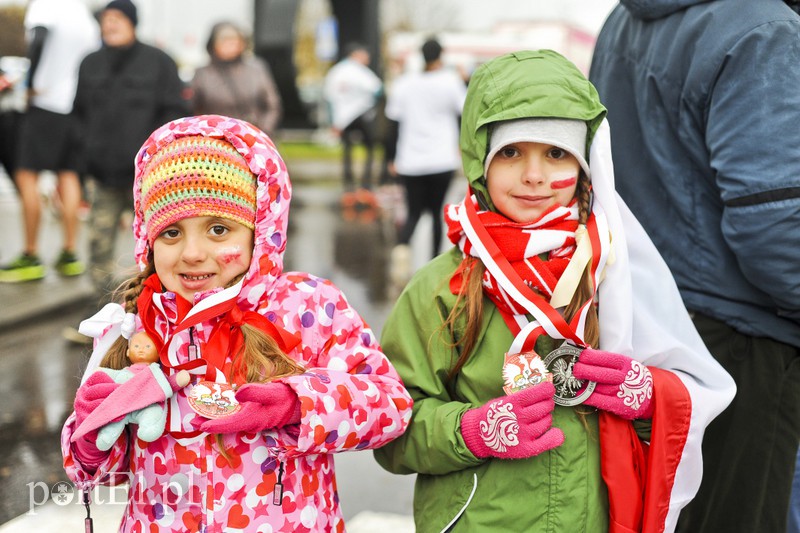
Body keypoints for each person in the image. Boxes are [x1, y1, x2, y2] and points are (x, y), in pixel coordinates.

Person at [373, 49, 735, 533]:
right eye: (511, 152)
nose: (534, 175)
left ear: (585, 164)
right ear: (481, 161)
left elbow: (693, 402)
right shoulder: (443, 286)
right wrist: (473, 432)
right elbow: (390, 428)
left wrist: (647, 398)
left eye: (556, 153)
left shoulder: (616, 272)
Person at [61, 114, 413, 532]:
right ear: (148, 238)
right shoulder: (136, 322)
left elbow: (390, 405)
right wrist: (88, 433)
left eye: (218, 229)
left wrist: (295, 402)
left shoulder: (308, 307)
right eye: (171, 233)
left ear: (259, 231)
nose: (192, 253)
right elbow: (97, 473)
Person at [588, 1, 800, 531]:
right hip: (740, 338)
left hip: (644, 316)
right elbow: (774, 226)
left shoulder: (626, 17)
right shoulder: (763, 30)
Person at [64, 0, 188, 343]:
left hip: (148, 180)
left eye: (117, 19)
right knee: (99, 247)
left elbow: (175, 113)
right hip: (103, 177)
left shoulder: (159, 62)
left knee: (153, 249)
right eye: (105, 20)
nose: (110, 25)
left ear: (133, 23)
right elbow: (78, 115)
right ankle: (101, 317)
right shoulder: (90, 63)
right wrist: (81, 160)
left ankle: (153, 319)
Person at [0, 0, 99, 282]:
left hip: (44, 103)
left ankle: (30, 255)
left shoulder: (44, 5)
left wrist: (29, 83)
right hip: (74, 108)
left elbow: (39, 39)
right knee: (68, 175)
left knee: (25, 175)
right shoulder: (83, 15)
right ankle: (69, 253)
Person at [384, 37, 467, 284]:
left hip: (410, 160)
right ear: (440, 56)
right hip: (441, 159)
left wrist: (391, 158)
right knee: (436, 213)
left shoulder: (404, 83)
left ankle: (401, 253)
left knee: (413, 212)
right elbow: (463, 115)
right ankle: (433, 264)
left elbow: (393, 125)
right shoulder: (451, 82)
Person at [191, 21, 282, 137]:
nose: (230, 46)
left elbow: (273, 105)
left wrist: (262, 132)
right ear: (213, 45)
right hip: (215, 140)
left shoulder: (256, 70)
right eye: (225, 41)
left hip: (252, 138)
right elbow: (192, 108)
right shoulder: (203, 74)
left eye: (234, 41)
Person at [323, 42, 382, 192]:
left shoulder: (336, 71)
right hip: (361, 114)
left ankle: (348, 182)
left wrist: (334, 122)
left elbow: (329, 97)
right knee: (369, 146)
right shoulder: (360, 71)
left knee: (347, 148)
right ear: (356, 54)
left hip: (342, 118)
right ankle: (365, 182)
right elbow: (377, 89)